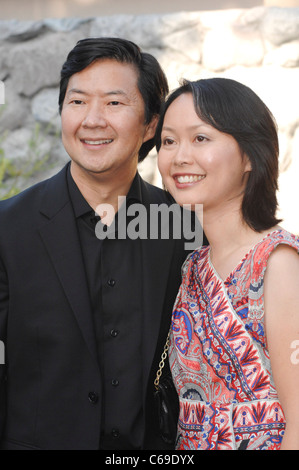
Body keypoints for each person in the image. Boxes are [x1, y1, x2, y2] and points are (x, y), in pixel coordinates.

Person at [0, 37, 190, 450]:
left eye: (114, 103)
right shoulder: (8, 229)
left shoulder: (180, 225)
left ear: (150, 125)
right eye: (78, 101)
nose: (92, 120)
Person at [156, 77, 299, 450]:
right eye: (168, 141)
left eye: (200, 138)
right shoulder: (193, 268)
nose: (179, 156)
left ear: (251, 155)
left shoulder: (279, 263)